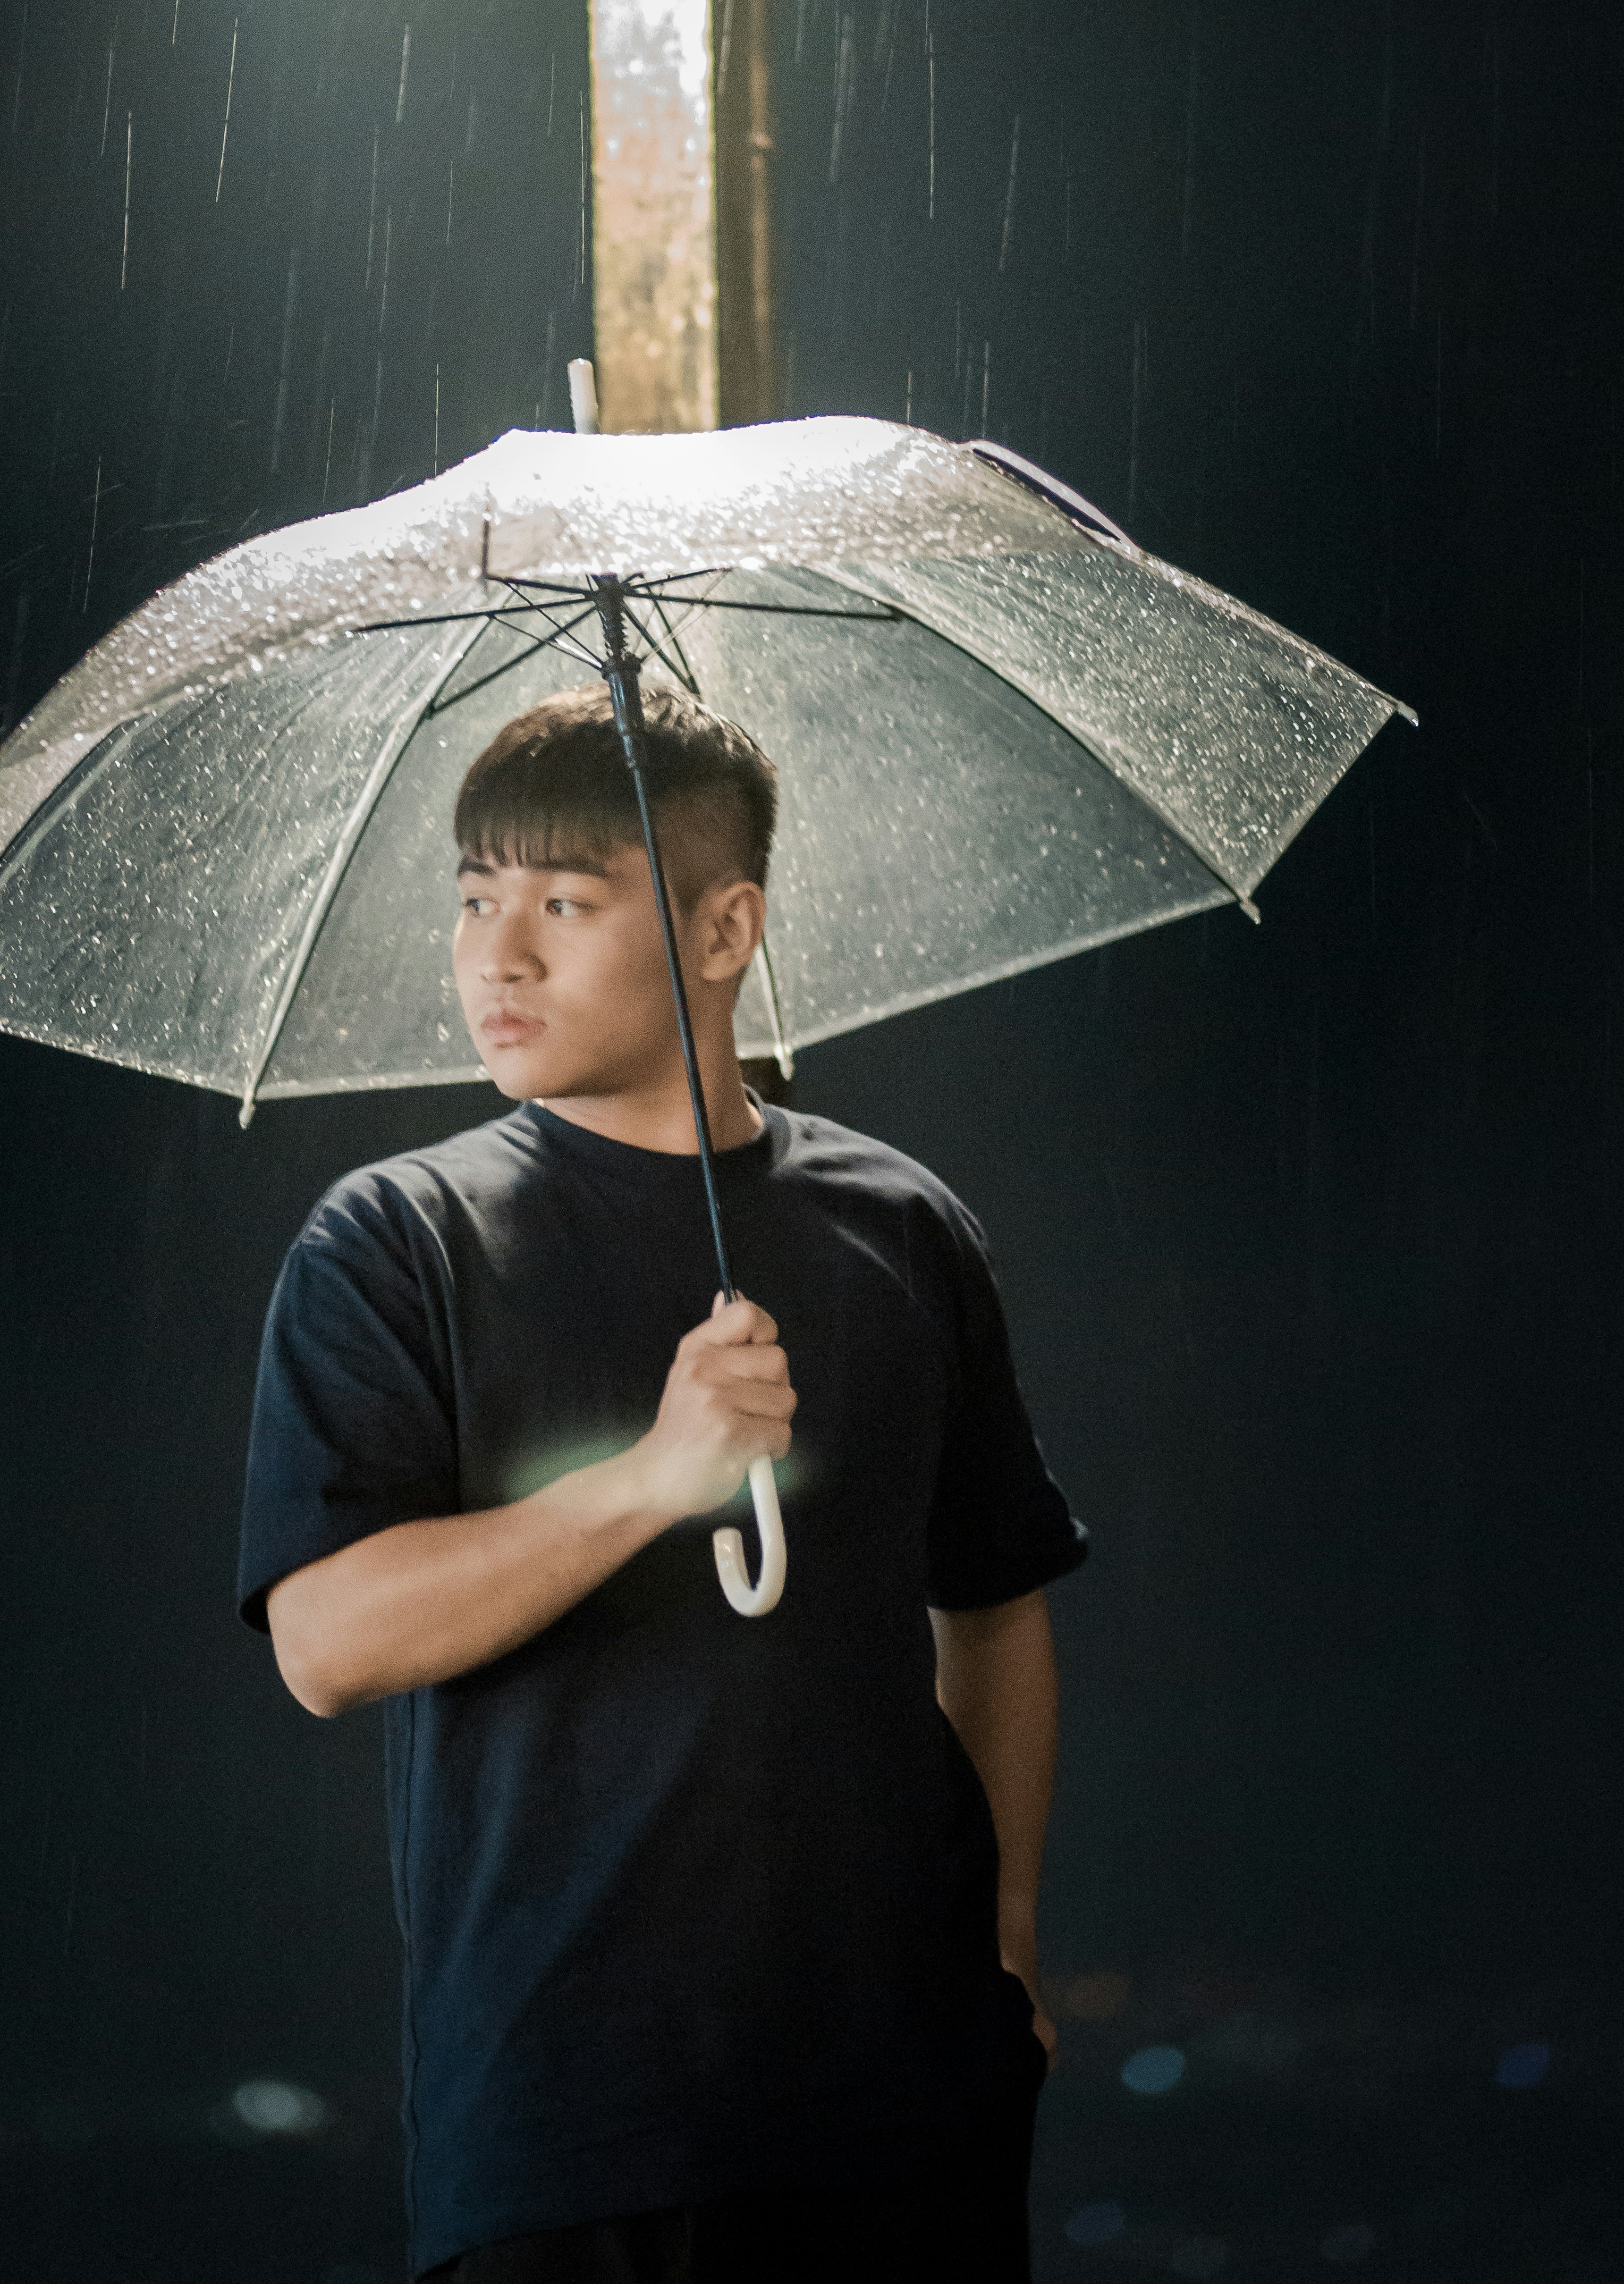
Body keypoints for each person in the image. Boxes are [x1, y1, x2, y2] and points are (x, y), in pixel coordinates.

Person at [240, 680, 1087, 2282]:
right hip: (572, 2117)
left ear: (721, 929)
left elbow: (994, 1605)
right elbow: (328, 1644)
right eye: (476, 897)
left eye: (564, 900)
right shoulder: (394, 1242)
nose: (498, 954)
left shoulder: (900, 1226)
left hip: (905, 2110)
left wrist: (1006, 1946)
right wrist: (652, 1476)